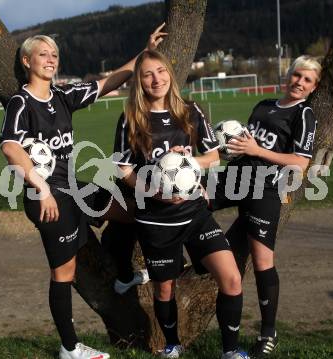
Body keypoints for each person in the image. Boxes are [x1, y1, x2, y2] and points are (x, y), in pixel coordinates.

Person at [0, 25, 166, 359]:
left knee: (133, 209)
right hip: (48, 199)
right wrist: (41, 188)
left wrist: (145, 51)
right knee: (64, 274)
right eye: (43, 54)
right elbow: (10, 148)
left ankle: (126, 275)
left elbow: (109, 82)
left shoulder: (61, 97)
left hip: (73, 190)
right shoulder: (21, 102)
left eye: (54, 55)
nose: (50, 59)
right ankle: (70, 347)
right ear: (27, 61)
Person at [113, 50, 250, 359]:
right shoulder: (130, 118)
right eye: (148, 74)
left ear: (170, 74)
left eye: (161, 71)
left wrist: (187, 163)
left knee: (231, 278)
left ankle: (230, 351)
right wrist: (153, 191)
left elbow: (213, 156)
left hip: (194, 213)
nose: (156, 79)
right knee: (164, 289)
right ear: (140, 81)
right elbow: (123, 168)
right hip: (157, 220)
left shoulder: (190, 111)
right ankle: (172, 344)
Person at [209, 55, 321, 358]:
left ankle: (268, 333)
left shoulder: (304, 114)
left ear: (314, 86)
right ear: (289, 75)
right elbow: (246, 147)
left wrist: (257, 150)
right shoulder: (263, 105)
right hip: (236, 177)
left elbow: (300, 163)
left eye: (307, 80)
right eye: (297, 75)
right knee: (190, 200)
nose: (299, 82)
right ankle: (168, 260)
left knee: (261, 261)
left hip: (264, 188)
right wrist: (231, 147)